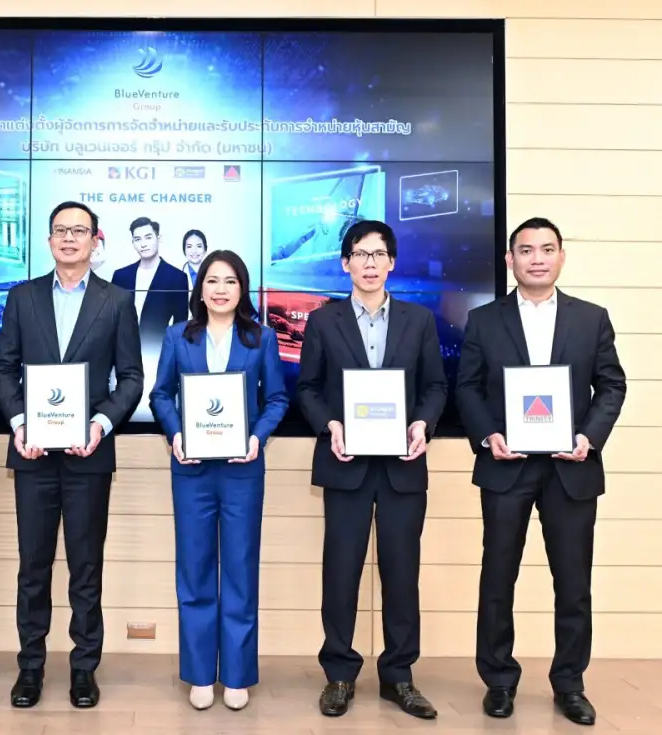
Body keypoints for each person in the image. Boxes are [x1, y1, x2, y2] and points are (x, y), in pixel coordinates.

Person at [455, 217, 626, 726]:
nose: (537, 258)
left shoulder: (591, 318)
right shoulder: (484, 320)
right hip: (505, 466)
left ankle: (569, 683)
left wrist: (589, 437)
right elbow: (467, 387)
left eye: (547, 249)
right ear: (510, 259)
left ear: (561, 257)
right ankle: (499, 680)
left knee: (573, 583)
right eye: (526, 250)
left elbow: (611, 385)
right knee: (497, 578)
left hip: (571, 468)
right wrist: (489, 435)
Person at [0, 200, 144, 709]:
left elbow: (131, 378)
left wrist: (100, 424)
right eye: (61, 230)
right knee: (33, 567)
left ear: (95, 240)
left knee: (85, 568)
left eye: (79, 230)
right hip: (33, 455)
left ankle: (84, 668)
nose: (69, 238)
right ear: (49, 239)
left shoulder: (116, 301)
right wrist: (20, 423)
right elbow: (4, 368)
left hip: (88, 457)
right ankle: (30, 668)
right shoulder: (22, 297)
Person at [295, 220, 448, 720]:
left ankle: (399, 676)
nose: (370, 263)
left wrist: (423, 422)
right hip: (347, 464)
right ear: (345, 263)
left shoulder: (418, 320)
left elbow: (436, 386)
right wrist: (330, 425)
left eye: (379, 254)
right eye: (360, 254)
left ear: (392, 263)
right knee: (341, 573)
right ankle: (339, 674)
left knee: (402, 573)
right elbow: (308, 388)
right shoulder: (324, 321)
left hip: (403, 466)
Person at [149, 250, 288, 711]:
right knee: (195, 572)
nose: (221, 289)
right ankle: (199, 673)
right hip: (191, 470)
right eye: (212, 280)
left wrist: (256, 437)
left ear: (241, 288)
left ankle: (237, 674)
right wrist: (176, 434)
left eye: (230, 281)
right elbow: (161, 395)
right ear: (201, 288)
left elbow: (277, 399)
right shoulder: (178, 336)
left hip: (241, 471)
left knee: (240, 571)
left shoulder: (261, 338)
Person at [111, 216, 190, 348]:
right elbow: (111, 318)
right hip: (121, 348)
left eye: (148, 237)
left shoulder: (177, 277)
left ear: (158, 238)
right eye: (138, 239)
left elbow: (180, 323)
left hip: (157, 349)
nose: (143, 244)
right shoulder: (120, 276)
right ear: (133, 243)